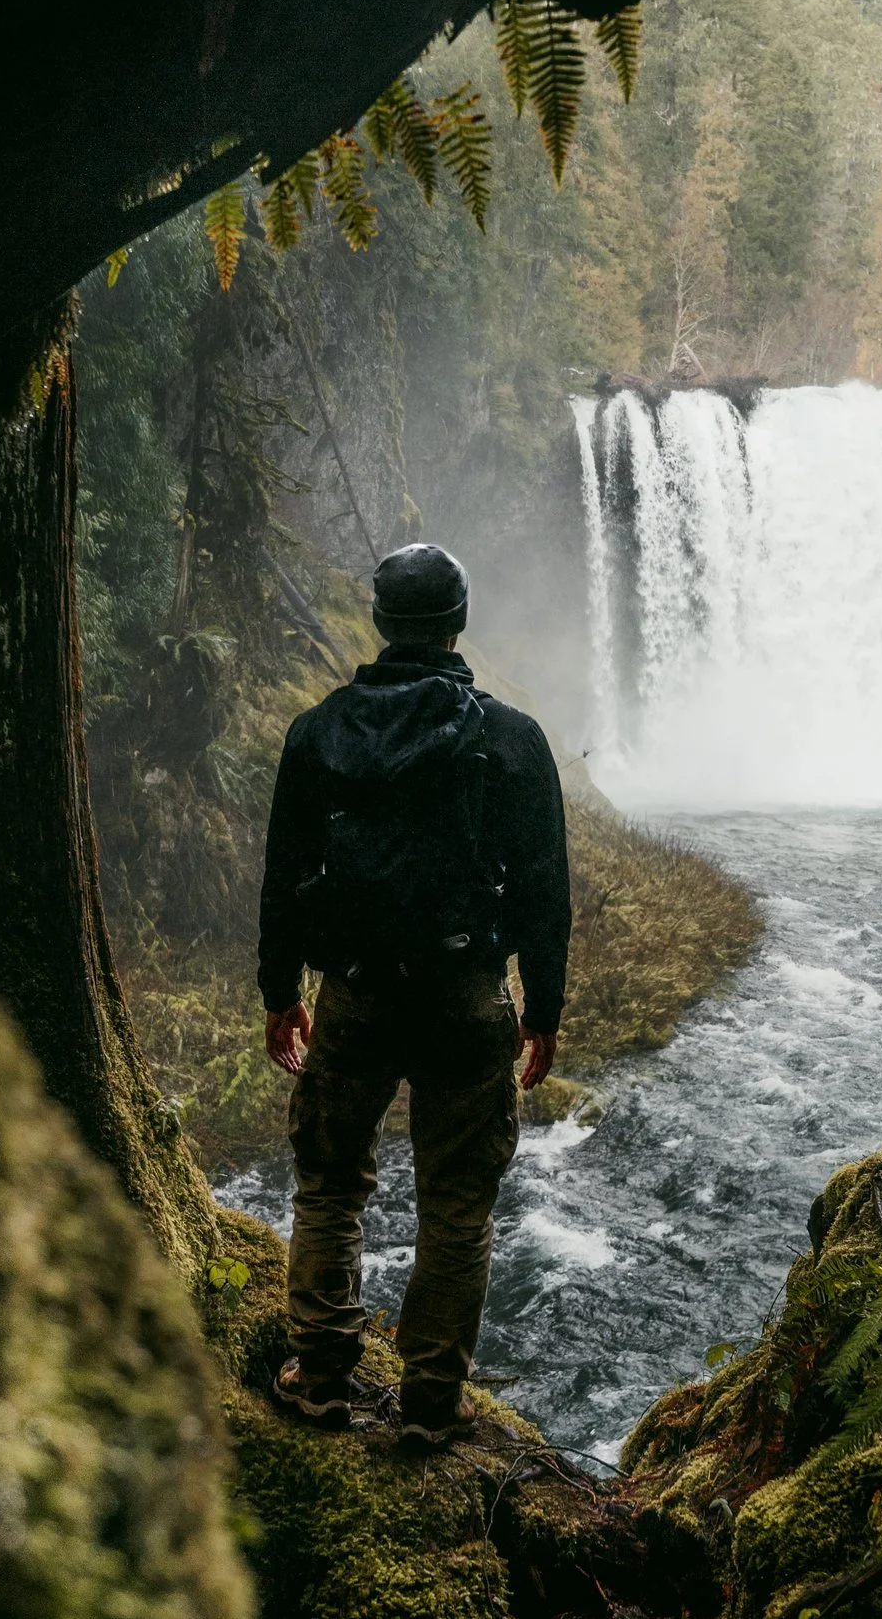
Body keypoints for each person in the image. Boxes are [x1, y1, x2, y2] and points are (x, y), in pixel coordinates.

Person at [256, 542, 570, 1448]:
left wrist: (282, 989)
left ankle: (319, 1378)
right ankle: (432, 1403)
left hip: (351, 995)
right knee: (458, 1203)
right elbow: (545, 889)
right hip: (468, 996)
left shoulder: (318, 732)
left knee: (328, 1184)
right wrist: (541, 1010)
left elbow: (285, 874)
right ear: (457, 623)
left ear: (382, 623)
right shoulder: (510, 739)